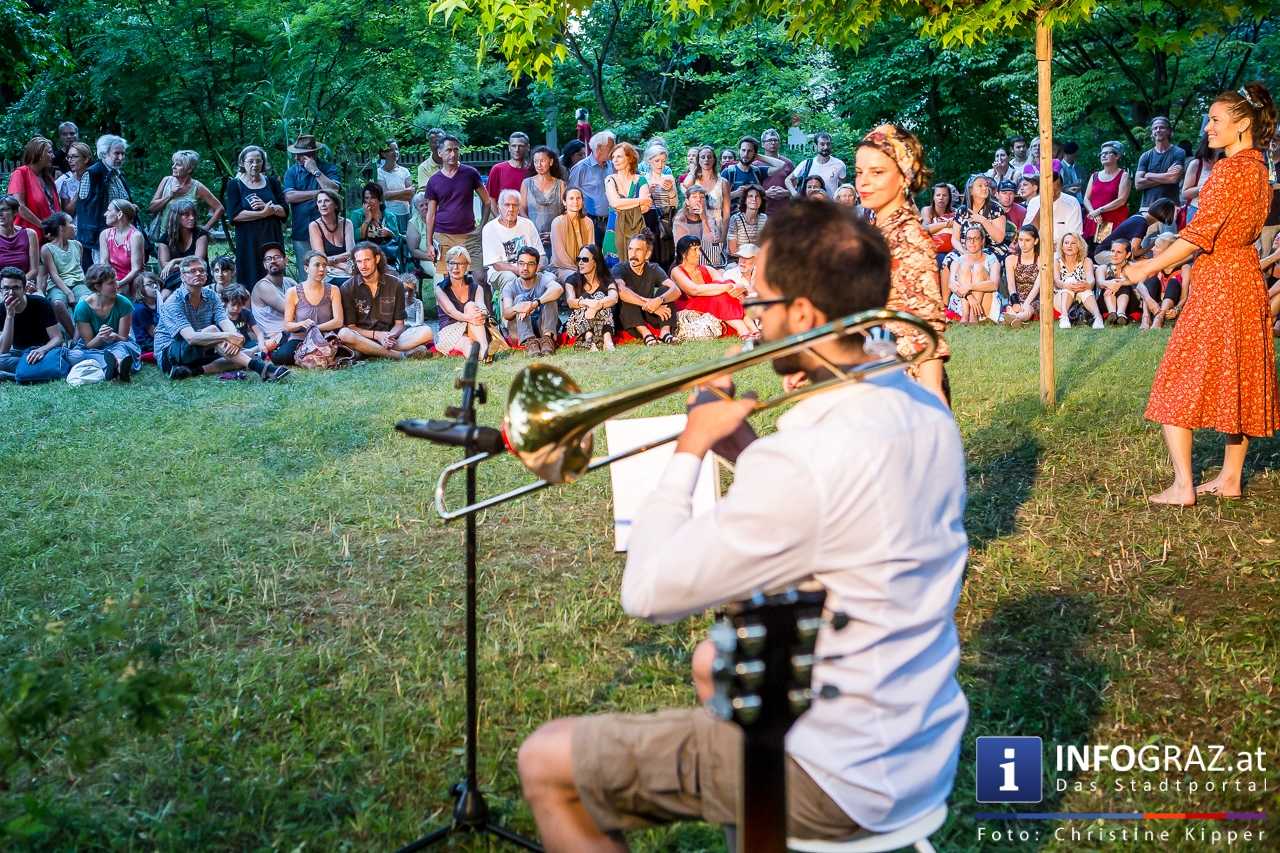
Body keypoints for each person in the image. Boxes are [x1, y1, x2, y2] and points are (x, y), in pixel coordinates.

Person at [515, 200, 968, 850]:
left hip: (837, 776)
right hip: (920, 743)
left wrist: (691, 448)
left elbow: (646, 588)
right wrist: (749, 453)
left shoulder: (807, 456)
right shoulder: (926, 408)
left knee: (545, 760)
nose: (751, 318)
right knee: (711, 662)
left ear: (805, 315)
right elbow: (845, 514)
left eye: (760, 301)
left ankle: (765, 811)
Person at [856, 124, 951, 403]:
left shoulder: (909, 236)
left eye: (877, 172)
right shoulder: (878, 229)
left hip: (903, 387)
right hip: (872, 372)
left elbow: (927, 326)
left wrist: (934, 400)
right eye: (860, 172)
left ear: (903, 178)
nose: (863, 182)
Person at [153, 256, 290, 381]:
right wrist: (228, 336)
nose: (198, 274)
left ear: (206, 275)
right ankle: (261, 368)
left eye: (201, 270)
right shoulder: (173, 302)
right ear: (183, 276)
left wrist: (235, 336)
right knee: (214, 331)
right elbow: (191, 337)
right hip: (170, 355)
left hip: (200, 349)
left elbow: (224, 321)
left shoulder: (211, 296)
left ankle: (191, 371)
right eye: (192, 271)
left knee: (234, 355)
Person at [337, 243, 434, 359]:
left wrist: (388, 337)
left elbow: (399, 324)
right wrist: (377, 336)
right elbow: (351, 327)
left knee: (426, 331)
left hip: (390, 338)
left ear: (377, 259)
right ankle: (400, 355)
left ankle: (371, 351)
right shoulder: (347, 287)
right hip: (362, 337)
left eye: (367, 260)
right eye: (359, 261)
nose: (363, 266)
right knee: (344, 334)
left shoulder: (395, 284)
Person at [424, 134, 493, 284]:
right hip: (444, 236)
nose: (453, 154)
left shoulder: (470, 173)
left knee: (480, 277)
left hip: (469, 234)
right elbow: (431, 214)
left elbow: (487, 202)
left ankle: (484, 307)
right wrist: (429, 243)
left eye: (456, 150)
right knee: (450, 281)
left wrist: (482, 227)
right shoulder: (434, 181)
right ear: (439, 153)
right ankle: (455, 308)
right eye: (449, 150)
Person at [669, 235, 754, 339]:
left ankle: (753, 330)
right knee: (722, 293)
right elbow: (694, 290)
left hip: (713, 306)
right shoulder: (676, 271)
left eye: (699, 249)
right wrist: (727, 287)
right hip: (689, 306)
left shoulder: (708, 269)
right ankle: (745, 330)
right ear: (683, 253)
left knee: (728, 288)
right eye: (694, 250)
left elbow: (725, 285)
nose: (699, 253)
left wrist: (736, 289)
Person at [226, 145, 288, 286]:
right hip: (248, 240)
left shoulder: (272, 182)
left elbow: (284, 211)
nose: (255, 165)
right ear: (242, 163)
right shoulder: (235, 185)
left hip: (271, 236)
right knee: (250, 274)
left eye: (259, 161)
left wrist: (269, 208)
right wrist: (262, 213)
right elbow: (234, 216)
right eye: (251, 161)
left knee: (273, 271)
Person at [283, 134, 342, 276]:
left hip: (328, 231)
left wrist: (315, 171)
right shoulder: (292, 172)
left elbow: (333, 190)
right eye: (295, 155)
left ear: (312, 154)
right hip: (302, 230)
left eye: (300, 155)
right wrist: (320, 193)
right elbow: (289, 196)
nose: (296, 158)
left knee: (329, 272)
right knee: (307, 275)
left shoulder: (328, 168)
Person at [73, 262, 140, 381]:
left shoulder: (124, 303)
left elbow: (123, 338)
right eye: (111, 283)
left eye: (116, 280)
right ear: (97, 287)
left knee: (122, 347)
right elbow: (88, 344)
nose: (117, 285)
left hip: (117, 343)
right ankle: (115, 366)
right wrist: (100, 337)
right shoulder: (83, 308)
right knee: (78, 354)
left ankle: (118, 367)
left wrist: (115, 336)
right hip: (93, 346)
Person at [276, 251, 344, 366]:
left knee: (341, 351)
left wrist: (314, 328)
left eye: (324, 265)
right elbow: (287, 325)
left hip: (325, 336)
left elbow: (338, 321)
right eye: (317, 265)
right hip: (301, 337)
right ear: (306, 268)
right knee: (283, 356)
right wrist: (301, 324)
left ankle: (311, 357)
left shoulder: (333, 289)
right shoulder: (293, 292)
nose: (322, 269)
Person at [0, 266, 68, 382]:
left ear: (24, 289)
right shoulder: (2, 309)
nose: (11, 293)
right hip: (19, 354)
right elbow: (4, 350)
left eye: (16, 288)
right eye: (6, 288)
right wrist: (10, 316)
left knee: (73, 356)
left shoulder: (40, 303)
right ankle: (30, 372)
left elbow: (57, 338)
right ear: (1, 290)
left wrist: (42, 350)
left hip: (45, 352)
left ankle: (20, 373)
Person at [615, 230, 680, 344]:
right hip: (630, 318)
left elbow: (676, 291)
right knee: (627, 295)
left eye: (638, 250)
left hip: (649, 315)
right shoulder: (620, 268)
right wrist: (649, 304)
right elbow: (621, 291)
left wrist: (659, 300)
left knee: (666, 291)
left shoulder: (653, 268)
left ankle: (665, 332)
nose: (633, 254)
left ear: (647, 254)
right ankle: (646, 334)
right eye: (630, 249)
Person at [75, 135, 131, 267]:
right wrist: (97, 238)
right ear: (104, 153)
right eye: (117, 153)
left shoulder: (117, 174)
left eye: (123, 153)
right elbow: (86, 209)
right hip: (98, 238)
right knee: (102, 274)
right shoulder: (92, 174)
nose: (121, 158)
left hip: (119, 234)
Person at [146, 150, 224, 242]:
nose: (173, 167)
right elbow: (151, 208)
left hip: (188, 240)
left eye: (178, 165)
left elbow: (220, 208)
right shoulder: (166, 181)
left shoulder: (197, 187)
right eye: (173, 163)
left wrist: (205, 229)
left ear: (189, 169)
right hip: (165, 238)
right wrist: (170, 195)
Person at [499, 245, 562, 355]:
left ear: (537, 267)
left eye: (530, 264)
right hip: (520, 331)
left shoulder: (543, 278)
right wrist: (518, 307)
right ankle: (529, 341)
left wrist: (534, 304)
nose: (525, 268)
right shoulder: (510, 286)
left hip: (543, 327)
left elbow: (558, 289)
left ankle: (547, 340)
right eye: (521, 263)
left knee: (550, 297)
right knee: (520, 298)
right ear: (517, 265)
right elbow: (506, 314)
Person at [434, 245, 495, 361]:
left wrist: (482, 313)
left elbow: (481, 305)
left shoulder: (476, 288)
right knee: (467, 342)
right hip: (451, 328)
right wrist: (471, 318)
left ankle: (484, 349)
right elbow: (451, 312)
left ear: (467, 266)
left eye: (461, 264)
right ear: (447, 266)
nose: (456, 267)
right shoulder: (440, 289)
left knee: (471, 306)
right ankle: (483, 355)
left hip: (474, 326)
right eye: (452, 263)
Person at [483, 189, 545, 288]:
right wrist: (524, 272)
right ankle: (510, 304)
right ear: (499, 207)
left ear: (519, 208)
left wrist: (533, 271)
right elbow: (497, 265)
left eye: (515, 205)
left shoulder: (528, 224)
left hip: (531, 270)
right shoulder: (489, 229)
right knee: (510, 279)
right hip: (502, 272)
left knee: (551, 280)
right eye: (507, 205)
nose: (511, 209)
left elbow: (541, 255)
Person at [564, 243, 617, 350]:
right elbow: (570, 302)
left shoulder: (607, 280)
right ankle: (590, 338)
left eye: (585, 259)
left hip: (601, 324)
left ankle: (607, 339)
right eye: (578, 259)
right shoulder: (571, 280)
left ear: (595, 262)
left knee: (600, 297)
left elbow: (614, 298)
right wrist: (586, 302)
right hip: (577, 325)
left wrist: (598, 305)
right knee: (587, 297)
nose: (580, 263)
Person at [8, 137, 61, 242]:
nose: (53, 156)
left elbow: (55, 207)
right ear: (38, 154)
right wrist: (43, 226)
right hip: (29, 237)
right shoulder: (20, 174)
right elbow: (20, 207)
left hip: (50, 236)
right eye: (49, 152)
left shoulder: (47, 177)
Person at [569, 131, 616, 248]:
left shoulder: (612, 165)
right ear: (599, 148)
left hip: (611, 220)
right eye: (611, 147)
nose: (614, 150)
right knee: (593, 258)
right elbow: (570, 195)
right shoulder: (581, 168)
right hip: (590, 221)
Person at [1092, 198, 1175, 265]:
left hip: (1110, 251)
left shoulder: (1141, 215)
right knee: (1138, 267)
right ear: (1163, 216)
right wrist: (1152, 245)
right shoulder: (1142, 224)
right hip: (1105, 253)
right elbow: (1134, 252)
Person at [604, 142, 651, 261]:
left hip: (636, 230)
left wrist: (623, 205)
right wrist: (641, 200)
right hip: (614, 230)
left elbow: (645, 208)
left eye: (619, 156)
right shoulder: (610, 179)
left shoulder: (641, 179)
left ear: (629, 158)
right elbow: (614, 203)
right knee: (614, 271)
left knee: (638, 266)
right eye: (613, 157)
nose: (615, 160)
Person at [1081, 141, 1131, 248]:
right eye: (1102, 154)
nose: (1103, 155)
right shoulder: (1094, 175)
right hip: (1094, 220)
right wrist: (1093, 212)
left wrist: (1099, 210)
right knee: (1089, 251)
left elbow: (1122, 200)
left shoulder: (1123, 175)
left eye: (1108, 153)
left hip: (1111, 221)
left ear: (1117, 156)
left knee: (1104, 251)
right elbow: (1086, 198)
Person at [1134, 232, 1187, 330]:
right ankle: (1146, 317)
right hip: (1155, 304)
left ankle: (1159, 318)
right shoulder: (1154, 265)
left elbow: (1184, 296)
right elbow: (1139, 285)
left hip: (1171, 304)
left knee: (1173, 282)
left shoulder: (1184, 268)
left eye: (1157, 247)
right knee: (1152, 281)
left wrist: (1177, 309)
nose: (1152, 249)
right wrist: (1150, 301)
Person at [250, 242, 295, 356]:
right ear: (265, 265)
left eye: (277, 257)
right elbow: (291, 309)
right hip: (274, 340)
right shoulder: (263, 286)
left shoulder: (289, 282)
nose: (272, 261)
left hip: (291, 332)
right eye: (268, 259)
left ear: (286, 260)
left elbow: (306, 302)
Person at [1134, 116, 1186, 214]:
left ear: (1169, 131)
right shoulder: (1145, 156)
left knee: (1168, 230)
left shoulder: (1178, 152)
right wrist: (1166, 175)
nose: (1158, 130)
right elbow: (1138, 184)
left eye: (1162, 127)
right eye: (1155, 128)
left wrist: (1149, 175)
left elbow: (1173, 179)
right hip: (1146, 208)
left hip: (1170, 207)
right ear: (1152, 133)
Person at [520, 145, 566, 256]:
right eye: (536, 161)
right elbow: (521, 209)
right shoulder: (526, 183)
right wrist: (532, 230)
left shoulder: (560, 184)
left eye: (542, 161)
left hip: (556, 237)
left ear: (550, 162)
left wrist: (555, 232)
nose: (538, 165)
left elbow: (566, 210)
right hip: (532, 236)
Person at [948, 225, 1000, 323]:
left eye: (975, 238)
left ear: (982, 241)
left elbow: (994, 285)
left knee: (978, 267)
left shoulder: (992, 260)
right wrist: (969, 296)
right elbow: (951, 284)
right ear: (965, 241)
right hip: (962, 304)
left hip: (984, 304)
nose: (971, 242)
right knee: (965, 266)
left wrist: (969, 287)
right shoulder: (957, 261)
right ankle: (965, 315)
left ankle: (974, 316)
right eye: (969, 239)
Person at [642, 144, 681, 268]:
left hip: (665, 219)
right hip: (649, 218)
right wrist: (648, 192)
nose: (660, 164)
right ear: (649, 161)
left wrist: (670, 191)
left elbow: (675, 203)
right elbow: (640, 205)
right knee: (651, 251)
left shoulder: (669, 177)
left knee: (666, 253)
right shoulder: (643, 179)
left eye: (663, 161)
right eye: (657, 161)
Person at [1053, 232, 1103, 329]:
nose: (1069, 246)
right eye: (1066, 243)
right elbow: (1057, 281)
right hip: (1061, 296)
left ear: (1079, 246)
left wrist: (1086, 285)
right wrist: (1067, 285)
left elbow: (1091, 281)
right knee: (1070, 281)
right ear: (1062, 246)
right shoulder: (1057, 262)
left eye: (1073, 243)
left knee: (1085, 289)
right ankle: (1064, 317)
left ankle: (1098, 318)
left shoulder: (1087, 261)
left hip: (1083, 295)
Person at [719, 136, 789, 206]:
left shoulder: (757, 171)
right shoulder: (728, 172)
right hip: (733, 215)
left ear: (754, 153)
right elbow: (716, 199)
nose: (745, 154)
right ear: (739, 151)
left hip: (755, 215)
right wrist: (735, 194)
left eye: (749, 151)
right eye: (743, 150)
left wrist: (759, 157)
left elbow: (781, 165)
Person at [156, 199, 210, 289]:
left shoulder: (200, 234)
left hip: (198, 275)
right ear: (176, 217)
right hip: (176, 277)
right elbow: (165, 265)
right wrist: (184, 267)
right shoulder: (165, 238)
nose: (192, 218)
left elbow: (198, 259)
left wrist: (175, 261)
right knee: (164, 294)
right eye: (186, 215)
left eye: (193, 214)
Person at [39, 212, 89, 307]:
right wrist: (69, 293)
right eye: (71, 223)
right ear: (61, 228)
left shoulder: (77, 245)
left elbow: (79, 269)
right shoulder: (47, 248)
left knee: (86, 301)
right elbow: (53, 274)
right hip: (57, 286)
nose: (74, 226)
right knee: (58, 303)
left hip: (78, 283)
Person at [1024, 170, 1084, 248]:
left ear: (1060, 188)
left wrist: (1055, 247)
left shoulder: (1072, 203)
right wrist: (1044, 205)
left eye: (1054, 190)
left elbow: (1075, 236)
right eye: (1048, 189)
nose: (1051, 194)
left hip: (1063, 251)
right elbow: (1027, 233)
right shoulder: (1034, 202)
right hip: (1038, 249)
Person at [97, 199, 145, 297]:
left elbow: (136, 269)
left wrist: (119, 283)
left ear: (119, 215)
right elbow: (104, 263)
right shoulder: (105, 234)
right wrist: (110, 281)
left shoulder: (135, 236)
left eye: (109, 210)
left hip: (131, 279)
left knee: (122, 291)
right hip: (111, 277)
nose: (105, 214)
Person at [672, 186, 727, 269]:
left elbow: (710, 245)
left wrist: (704, 220)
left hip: (709, 261)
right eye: (694, 197)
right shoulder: (680, 220)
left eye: (702, 197)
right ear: (687, 202)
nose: (699, 200)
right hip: (688, 262)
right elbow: (685, 250)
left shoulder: (709, 218)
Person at [950, 174, 1007, 252]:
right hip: (966, 250)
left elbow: (999, 239)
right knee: (949, 261)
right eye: (980, 186)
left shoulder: (996, 209)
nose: (985, 188)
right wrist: (964, 252)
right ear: (971, 191)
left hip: (991, 250)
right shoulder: (962, 211)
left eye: (986, 185)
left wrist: (983, 221)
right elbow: (955, 239)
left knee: (978, 263)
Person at [549, 186, 594, 284]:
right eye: (571, 198)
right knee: (576, 278)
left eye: (578, 198)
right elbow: (560, 256)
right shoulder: (557, 222)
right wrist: (578, 270)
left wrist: (586, 267)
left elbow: (591, 249)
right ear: (564, 202)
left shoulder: (588, 222)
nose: (575, 201)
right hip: (562, 268)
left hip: (585, 266)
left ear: (582, 201)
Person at [308, 188, 355, 280]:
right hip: (326, 272)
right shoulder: (314, 226)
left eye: (327, 201)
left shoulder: (347, 223)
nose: (323, 205)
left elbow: (352, 253)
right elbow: (320, 259)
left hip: (348, 271)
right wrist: (343, 266)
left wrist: (331, 260)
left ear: (336, 205)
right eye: (320, 202)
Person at [680, 147, 729, 233]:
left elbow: (726, 213)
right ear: (698, 160)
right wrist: (695, 168)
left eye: (709, 157)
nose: (706, 159)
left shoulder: (723, 182)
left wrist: (724, 235)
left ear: (714, 160)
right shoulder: (694, 180)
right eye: (702, 157)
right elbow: (686, 185)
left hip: (716, 227)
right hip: (696, 224)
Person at [350, 182, 401, 259]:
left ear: (380, 200)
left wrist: (389, 233)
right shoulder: (356, 214)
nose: (369, 201)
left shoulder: (390, 216)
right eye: (366, 198)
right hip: (363, 254)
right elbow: (355, 237)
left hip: (386, 255)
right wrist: (367, 219)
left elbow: (397, 238)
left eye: (373, 198)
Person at [1004, 224, 1042, 328]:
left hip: (1034, 299)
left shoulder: (1041, 260)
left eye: (1027, 240)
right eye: (1020, 240)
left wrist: (1026, 304)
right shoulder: (1011, 259)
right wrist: (1016, 302)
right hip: (1016, 296)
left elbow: (1037, 287)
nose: (1023, 244)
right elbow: (1011, 285)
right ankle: (1015, 317)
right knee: (1012, 308)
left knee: (1028, 309)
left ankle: (1016, 318)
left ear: (1035, 241)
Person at [786, 132, 846, 197]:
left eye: (828, 144)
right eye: (822, 144)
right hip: (810, 205)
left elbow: (843, 185)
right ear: (815, 146)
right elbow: (788, 180)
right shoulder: (806, 164)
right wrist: (795, 194)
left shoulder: (839, 164)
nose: (826, 147)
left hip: (831, 205)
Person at [488, 132, 535, 214]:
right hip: (505, 219)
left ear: (528, 147)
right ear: (509, 148)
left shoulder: (533, 170)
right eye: (514, 146)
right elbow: (491, 198)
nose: (517, 149)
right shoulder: (498, 169)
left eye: (521, 146)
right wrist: (500, 219)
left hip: (529, 221)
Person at [1181, 133, 1222, 225]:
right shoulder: (1196, 163)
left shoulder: (1227, 163)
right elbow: (1185, 193)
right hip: (1196, 211)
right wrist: (1207, 187)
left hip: (1218, 213)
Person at [376, 140, 415, 234]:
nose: (395, 152)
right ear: (383, 154)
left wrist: (391, 195)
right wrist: (404, 192)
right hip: (389, 214)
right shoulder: (379, 172)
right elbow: (384, 195)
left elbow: (411, 195)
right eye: (391, 150)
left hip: (405, 213)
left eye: (396, 149)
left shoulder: (405, 171)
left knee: (406, 240)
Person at [0, 195, 39, 288]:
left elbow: (34, 270)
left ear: (15, 212)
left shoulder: (30, 234)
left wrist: (20, 284)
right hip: (2, 287)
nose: (0, 214)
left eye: (4, 210)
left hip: (25, 284)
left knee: (42, 301)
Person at [1095, 237, 1136, 325]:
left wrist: (1120, 283)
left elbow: (1136, 280)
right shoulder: (1103, 268)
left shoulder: (1133, 267)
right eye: (1112, 251)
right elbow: (1100, 283)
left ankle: (1120, 314)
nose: (1114, 254)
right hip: (1105, 302)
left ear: (1128, 255)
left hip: (1129, 303)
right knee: (1112, 280)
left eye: (1119, 252)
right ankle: (1113, 314)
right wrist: (1111, 284)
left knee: (1122, 282)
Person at [726, 184, 767, 260]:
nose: (754, 199)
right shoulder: (735, 219)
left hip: (757, 260)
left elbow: (766, 246)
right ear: (745, 200)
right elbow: (732, 251)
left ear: (761, 200)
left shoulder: (764, 218)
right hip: (737, 260)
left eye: (757, 196)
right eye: (750, 196)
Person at [758, 128, 794, 213]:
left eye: (775, 140)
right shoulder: (756, 164)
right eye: (770, 140)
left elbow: (797, 186)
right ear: (763, 144)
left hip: (784, 211)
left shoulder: (787, 163)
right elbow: (749, 187)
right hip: (762, 211)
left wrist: (786, 192)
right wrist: (765, 193)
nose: (773, 143)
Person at [405, 191, 439, 280]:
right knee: (439, 272)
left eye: (427, 204)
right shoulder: (414, 223)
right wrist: (432, 258)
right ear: (416, 208)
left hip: (444, 256)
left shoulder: (439, 217)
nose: (425, 207)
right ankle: (442, 293)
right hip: (426, 259)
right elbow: (413, 251)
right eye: (421, 205)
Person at [920, 182, 956, 265]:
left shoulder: (955, 212)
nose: (941, 198)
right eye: (938, 195)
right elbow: (925, 229)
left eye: (944, 195)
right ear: (933, 197)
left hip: (954, 250)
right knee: (942, 259)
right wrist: (946, 224)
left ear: (949, 198)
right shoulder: (927, 210)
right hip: (935, 251)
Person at [56, 141, 92, 217]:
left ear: (86, 159)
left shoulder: (96, 179)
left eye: (74, 156)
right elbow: (67, 214)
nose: (70, 160)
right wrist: (80, 192)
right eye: (68, 157)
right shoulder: (66, 183)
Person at [220, 285, 261, 349]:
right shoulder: (220, 316)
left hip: (246, 343)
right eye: (233, 305)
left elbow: (259, 333)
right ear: (226, 302)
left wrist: (261, 343)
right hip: (229, 346)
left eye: (240, 305)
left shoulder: (246, 313)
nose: (236, 308)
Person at [131, 273, 159, 353]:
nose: (155, 286)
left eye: (156, 282)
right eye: (149, 284)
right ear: (140, 288)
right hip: (148, 345)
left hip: (158, 339)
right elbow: (154, 333)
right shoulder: (140, 309)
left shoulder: (159, 303)